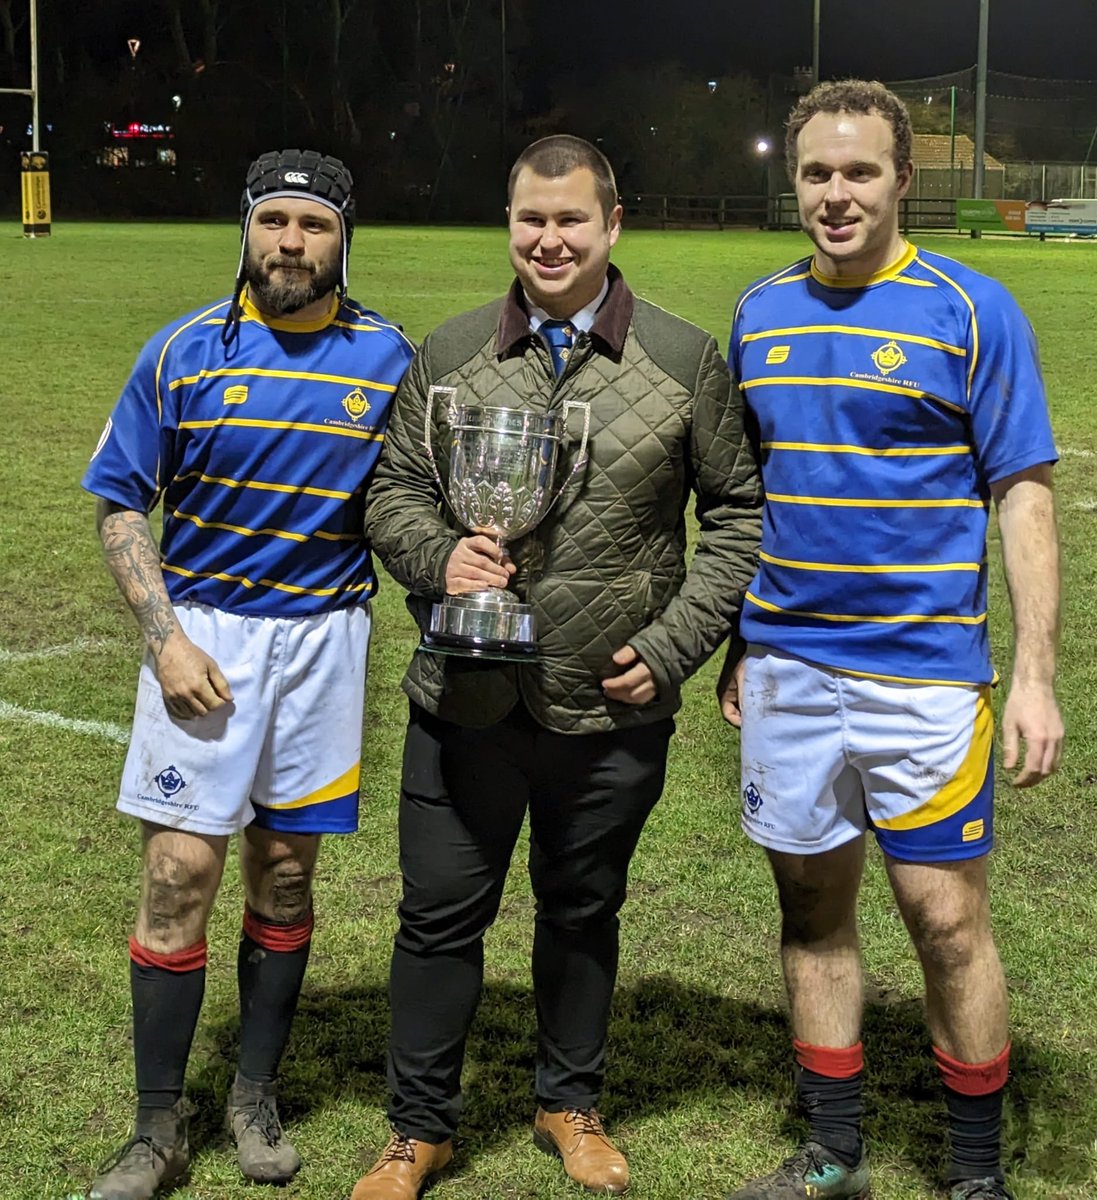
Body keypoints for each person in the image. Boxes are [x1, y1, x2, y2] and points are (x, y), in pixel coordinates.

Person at [348, 133, 762, 1200]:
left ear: (611, 225)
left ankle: (567, 1102)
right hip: (463, 696)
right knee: (437, 917)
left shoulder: (681, 361)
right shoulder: (445, 354)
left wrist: (672, 649)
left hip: (608, 701)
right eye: (529, 219)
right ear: (509, 226)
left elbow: (736, 516)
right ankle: (415, 1129)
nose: (548, 238)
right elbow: (391, 490)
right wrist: (439, 555)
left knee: (582, 913)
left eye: (570, 219)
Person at [719, 80, 1064, 1200]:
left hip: (923, 679)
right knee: (810, 913)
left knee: (946, 922)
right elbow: (745, 499)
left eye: (858, 172)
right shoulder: (757, 315)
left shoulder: (970, 309)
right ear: (795, 180)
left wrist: (1034, 675)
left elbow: (1022, 494)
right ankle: (832, 1151)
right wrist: (737, 640)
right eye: (816, 172)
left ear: (903, 180)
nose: (834, 193)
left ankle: (972, 1175)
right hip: (784, 670)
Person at [81, 148, 414, 1200]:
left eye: (311, 227)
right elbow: (121, 502)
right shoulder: (182, 353)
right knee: (180, 872)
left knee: (285, 873)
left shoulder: (389, 360)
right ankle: (155, 1126)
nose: (289, 244)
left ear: (342, 238)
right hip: (208, 637)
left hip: (324, 639)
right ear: (246, 228)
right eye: (272, 222)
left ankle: (253, 1093)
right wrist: (166, 639)